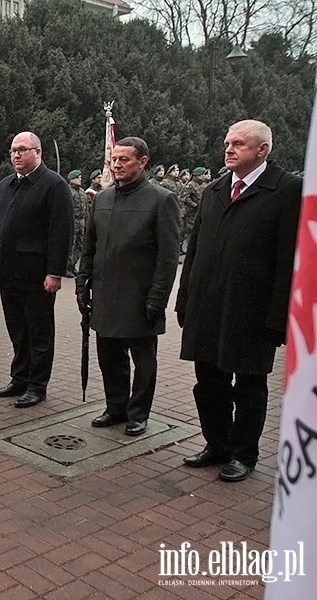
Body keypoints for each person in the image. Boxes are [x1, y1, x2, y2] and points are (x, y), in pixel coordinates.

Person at [176, 119, 302, 482]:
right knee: (209, 383)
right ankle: (216, 444)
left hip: (252, 312)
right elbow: (195, 251)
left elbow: (288, 260)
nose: (228, 149)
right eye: (227, 143)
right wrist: (185, 299)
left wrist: (279, 317)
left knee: (248, 387)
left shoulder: (287, 190)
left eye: (239, 144)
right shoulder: (215, 189)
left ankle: (243, 454)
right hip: (208, 308)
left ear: (262, 150)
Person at [76, 137, 181, 437]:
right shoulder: (102, 198)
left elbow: (168, 257)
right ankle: (116, 407)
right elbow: (89, 247)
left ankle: (138, 413)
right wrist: (82, 282)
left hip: (140, 297)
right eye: (114, 159)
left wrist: (157, 298)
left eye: (124, 159)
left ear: (143, 162)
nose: (117, 164)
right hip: (106, 294)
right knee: (109, 356)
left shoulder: (162, 200)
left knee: (143, 361)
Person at [0, 132, 73, 407]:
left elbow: (61, 232)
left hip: (37, 277)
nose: (16, 155)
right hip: (8, 273)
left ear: (38, 152)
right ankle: (19, 378)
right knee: (17, 330)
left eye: (22, 150)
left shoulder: (53, 186)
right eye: (13, 150)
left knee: (39, 333)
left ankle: (37, 385)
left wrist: (55, 272)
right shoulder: (4, 186)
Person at [66, 169, 88, 277]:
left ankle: (73, 265)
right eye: (77, 178)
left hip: (81, 221)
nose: (80, 180)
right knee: (71, 244)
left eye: (80, 178)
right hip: (72, 221)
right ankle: (67, 267)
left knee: (79, 245)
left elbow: (86, 208)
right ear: (71, 179)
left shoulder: (82, 192)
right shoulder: (68, 191)